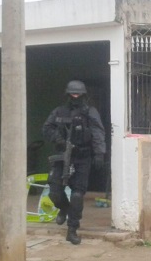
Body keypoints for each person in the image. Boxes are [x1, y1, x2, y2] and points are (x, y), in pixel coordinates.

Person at [42, 80, 106, 245]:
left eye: (78, 94)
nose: (75, 96)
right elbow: (47, 128)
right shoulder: (59, 111)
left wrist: (99, 153)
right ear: (68, 94)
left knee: (77, 195)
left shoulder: (90, 112)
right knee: (54, 192)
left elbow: (98, 132)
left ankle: (72, 230)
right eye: (72, 93)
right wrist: (59, 139)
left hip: (82, 157)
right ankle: (64, 208)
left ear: (83, 95)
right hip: (62, 155)